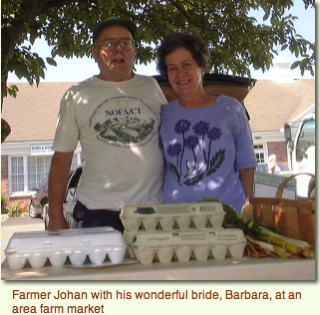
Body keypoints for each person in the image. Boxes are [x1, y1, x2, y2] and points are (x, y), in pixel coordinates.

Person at [47, 17, 167, 232]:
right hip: (97, 212)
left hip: (152, 211)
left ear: (134, 51)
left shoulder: (151, 87)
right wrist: (55, 215)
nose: (118, 49)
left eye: (126, 43)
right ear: (95, 53)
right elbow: (62, 159)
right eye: (109, 44)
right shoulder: (76, 95)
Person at [156, 32, 257, 214]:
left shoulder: (231, 108)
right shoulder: (162, 113)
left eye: (186, 65)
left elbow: (247, 164)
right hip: (176, 217)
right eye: (172, 68)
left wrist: (247, 208)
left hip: (227, 214)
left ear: (202, 66)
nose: (180, 73)